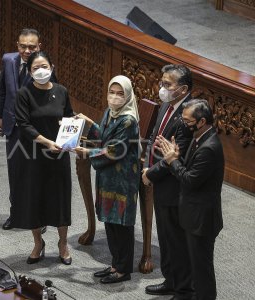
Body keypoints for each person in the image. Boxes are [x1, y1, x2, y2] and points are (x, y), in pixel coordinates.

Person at [75, 75, 140, 284]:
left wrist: (88, 153)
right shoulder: (110, 113)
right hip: (107, 177)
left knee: (121, 225)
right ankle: (115, 264)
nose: (115, 97)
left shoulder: (128, 120)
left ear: (128, 96)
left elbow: (115, 150)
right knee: (110, 223)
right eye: (112, 92)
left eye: (120, 94)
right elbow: (103, 136)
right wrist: (89, 123)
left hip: (122, 180)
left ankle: (123, 270)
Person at [156, 99, 224, 300]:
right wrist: (176, 156)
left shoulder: (208, 147)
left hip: (201, 220)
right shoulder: (199, 138)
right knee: (195, 266)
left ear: (201, 121)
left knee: (202, 271)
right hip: (193, 215)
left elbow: (189, 180)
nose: (183, 124)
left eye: (187, 121)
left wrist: (172, 160)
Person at [12, 51, 72, 265]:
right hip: (33, 155)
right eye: (35, 68)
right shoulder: (24, 93)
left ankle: (62, 244)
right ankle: (38, 243)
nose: (41, 71)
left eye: (44, 66)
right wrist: (47, 142)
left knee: (60, 200)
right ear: (29, 72)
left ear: (52, 66)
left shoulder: (61, 91)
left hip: (59, 156)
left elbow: (69, 119)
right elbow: (23, 124)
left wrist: (69, 139)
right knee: (34, 199)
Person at [0, 28, 56, 230]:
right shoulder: (8, 60)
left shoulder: (44, 67)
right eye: (23, 46)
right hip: (13, 127)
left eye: (32, 47)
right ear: (17, 45)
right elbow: (3, 90)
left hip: (37, 131)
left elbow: (52, 99)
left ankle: (40, 217)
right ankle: (16, 214)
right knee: (15, 173)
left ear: (39, 46)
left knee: (36, 174)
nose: (27, 51)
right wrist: (0, 117)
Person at [142, 65, 194, 298]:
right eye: (162, 82)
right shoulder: (166, 104)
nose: (162, 88)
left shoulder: (188, 115)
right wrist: (147, 164)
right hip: (160, 181)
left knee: (177, 241)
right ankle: (170, 280)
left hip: (175, 186)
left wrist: (150, 173)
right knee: (164, 236)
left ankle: (183, 289)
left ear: (183, 89)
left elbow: (176, 154)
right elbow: (154, 137)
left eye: (167, 85)